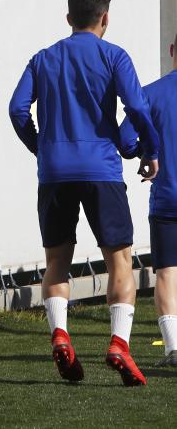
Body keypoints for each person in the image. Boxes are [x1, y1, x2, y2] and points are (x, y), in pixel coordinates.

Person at [9, 0, 159, 386]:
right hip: (101, 171)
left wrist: (40, 146)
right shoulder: (113, 56)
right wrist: (151, 150)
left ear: (69, 17)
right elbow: (137, 108)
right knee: (119, 260)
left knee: (57, 261)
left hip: (54, 171)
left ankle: (60, 333)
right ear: (105, 18)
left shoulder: (43, 58)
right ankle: (118, 343)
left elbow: (16, 108)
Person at [118, 35, 177, 367]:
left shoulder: (150, 94)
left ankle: (173, 348)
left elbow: (125, 140)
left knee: (168, 272)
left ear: (172, 51)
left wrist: (146, 153)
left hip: (167, 199)